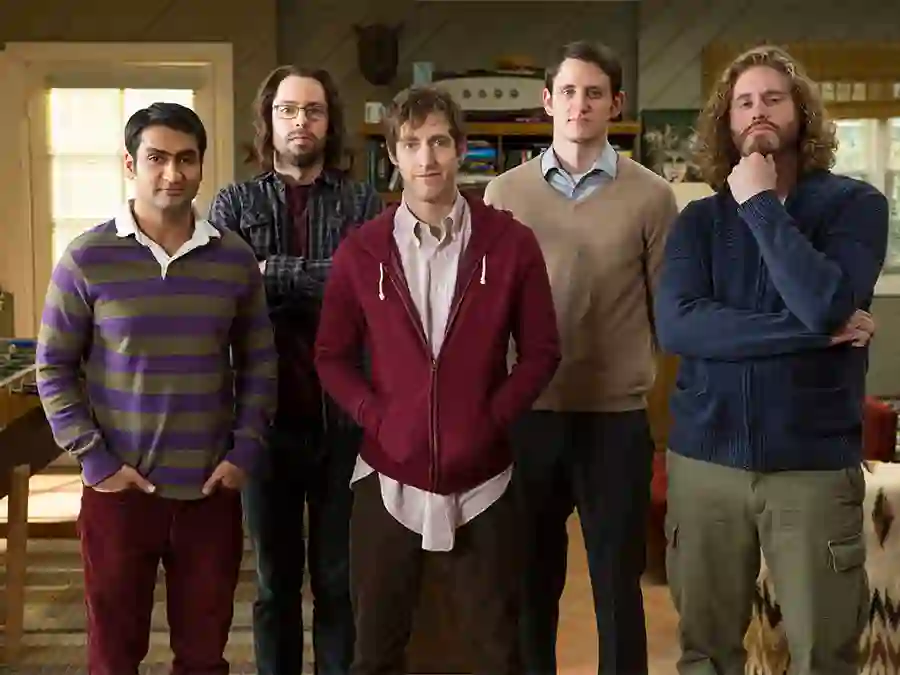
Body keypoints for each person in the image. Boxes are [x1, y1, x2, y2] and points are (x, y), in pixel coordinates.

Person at [654, 44, 888, 675]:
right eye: (744, 102)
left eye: (773, 98)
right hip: (704, 464)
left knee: (824, 655)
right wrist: (813, 333)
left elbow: (824, 300)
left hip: (811, 466)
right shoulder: (698, 221)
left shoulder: (855, 206)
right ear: (726, 122)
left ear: (801, 113)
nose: (758, 110)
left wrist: (760, 204)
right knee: (706, 654)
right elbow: (679, 326)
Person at [314, 86, 561, 675]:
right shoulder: (361, 251)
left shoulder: (511, 243)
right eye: (411, 144)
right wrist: (378, 418)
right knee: (376, 653)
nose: (426, 158)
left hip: (485, 483)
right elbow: (331, 356)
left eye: (439, 142)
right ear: (393, 156)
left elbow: (541, 353)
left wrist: (490, 420)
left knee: (496, 654)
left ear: (462, 149)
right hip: (387, 480)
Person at [34, 102, 277, 675]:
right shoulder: (86, 257)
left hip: (209, 492)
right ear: (130, 164)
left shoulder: (234, 259)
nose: (173, 173)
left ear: (201, 166)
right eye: (157, 158)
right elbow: (53, 367)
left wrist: (244, 451)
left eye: (186, 159)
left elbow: (260, 363)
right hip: (119, 494)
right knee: (113, 657)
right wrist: (96, 461)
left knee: (204, 657)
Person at [483, 40, 678, 675]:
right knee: (530, 586)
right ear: (547, 101)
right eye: (568, 91)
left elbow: (668, 313)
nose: (579, 104)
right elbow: (487, 314)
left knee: (617, 588)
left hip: (614, 421)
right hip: (530, 416)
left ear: (615, 104)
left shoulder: (652, 196)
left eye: (594, 93)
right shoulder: (503, 194)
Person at [207, 65, 383, 675]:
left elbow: (363, 289)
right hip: (263, 419)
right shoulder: (234, 202)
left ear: (330, 122)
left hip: (344, 419)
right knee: (274, 582)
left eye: (313, 110)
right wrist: (319, 277)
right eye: (287, 110)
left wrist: (268, 272)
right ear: (269, 119)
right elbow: (229, 289)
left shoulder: (361, 200)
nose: (300, 121)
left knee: (338, 582)